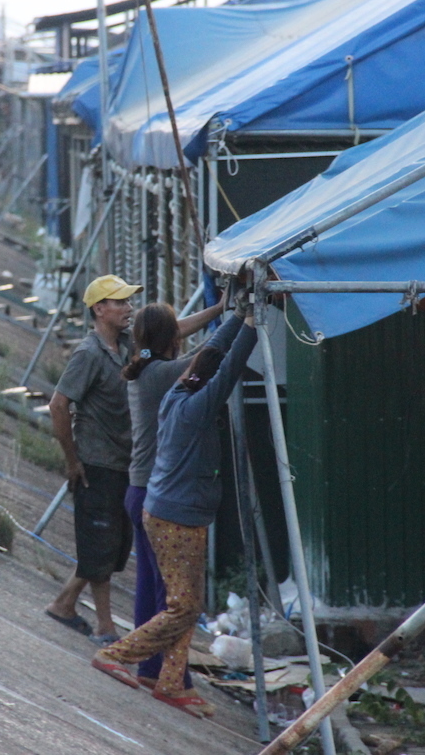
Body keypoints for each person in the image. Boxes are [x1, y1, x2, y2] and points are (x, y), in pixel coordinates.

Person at [91, 297, 257, 719]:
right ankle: (122, 656)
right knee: (178, 603)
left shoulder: (154, 373)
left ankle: (168, 679)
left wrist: (232, 312)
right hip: (168, 503)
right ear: (173, 342)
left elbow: (199, 355)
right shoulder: (174, 384)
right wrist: (246, 322)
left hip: (153, 496)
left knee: (177, 599)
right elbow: (218, 364)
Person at [119, 292, 226, 690]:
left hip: (137, 489)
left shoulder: (143, 366)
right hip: (156, 493)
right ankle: (169, 674)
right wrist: (239, 320)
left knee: (150, 586)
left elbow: (175, 332)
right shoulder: (165, 374)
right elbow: (209, 361)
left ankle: (148, 668)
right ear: (168, 338)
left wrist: (217, 310)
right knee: (173, 596)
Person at [43, 274, 142, 645]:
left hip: (122, 463)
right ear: (100, 309)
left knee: (112, 547)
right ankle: (105, 627)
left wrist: (219, 313)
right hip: (96, 465)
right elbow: (58, 405)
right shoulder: (88, 354)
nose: (129, 308)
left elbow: (170, 334)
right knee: (101, 543)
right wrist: (72, 460)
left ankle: (64, 604)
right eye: (121, 302)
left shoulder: (129, 346)